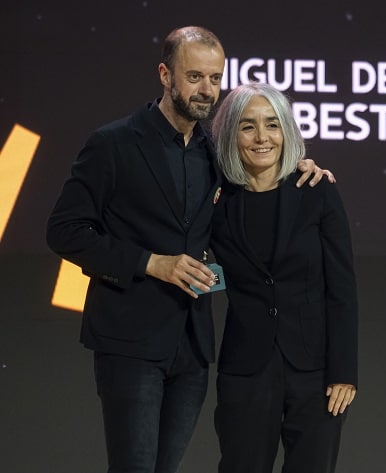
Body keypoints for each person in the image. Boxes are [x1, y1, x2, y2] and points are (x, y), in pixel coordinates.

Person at [46, 26, 331, 473]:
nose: (207, 89)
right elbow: (64, 230)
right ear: (165, 75)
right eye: (194, 76)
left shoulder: (216, 154)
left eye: (215, 78)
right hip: (130, 340)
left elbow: (257, 179)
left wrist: (297, 167)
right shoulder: (113, 144)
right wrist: (151, 263)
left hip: (193, 347)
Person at [210, 82, 358, 473]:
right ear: (231, 135)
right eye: (248, 126)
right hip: (246, 368)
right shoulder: (216, 200)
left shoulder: (317, 191)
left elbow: (342, 289)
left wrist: (344, 372)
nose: (262, 137)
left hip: (316, 372)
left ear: (286, 131)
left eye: (272, 124)